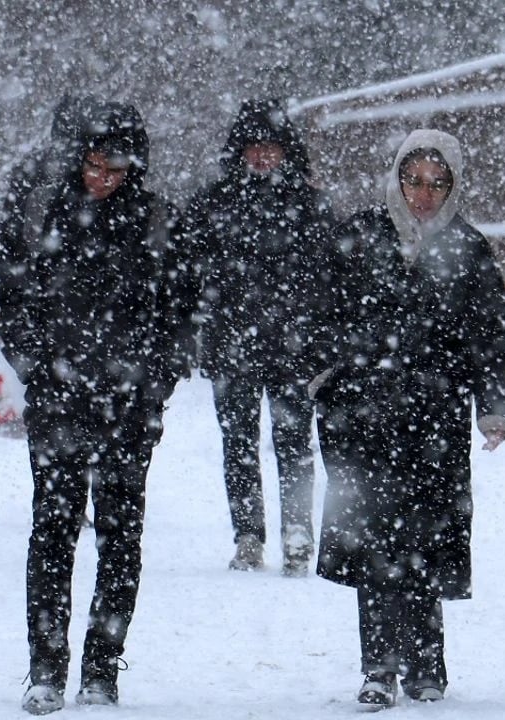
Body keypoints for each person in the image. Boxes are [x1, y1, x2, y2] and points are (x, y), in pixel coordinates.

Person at [0, 100, 197, 715]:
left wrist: (154, 384)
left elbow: (182, 316)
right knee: (51, 532)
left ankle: (102, 669)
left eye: (113, 165)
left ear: (133, 165)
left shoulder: (160, 223)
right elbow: (10, 297)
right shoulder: (39, 216)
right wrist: (36, 370)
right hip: (57, 401)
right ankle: (45, 668)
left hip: (129, 408)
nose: (100, 176)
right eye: (91, 163)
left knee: (119, 535)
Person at [307, 129, 505, 708]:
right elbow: (320, 311)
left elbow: (490, 333)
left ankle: (426, 662)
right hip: (362, 416)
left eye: (437, 182)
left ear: (453, 184)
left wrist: (493, 406)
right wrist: (326, 371)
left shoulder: (467, 248)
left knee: (426, 535)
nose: (423, 193)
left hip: (435, 416)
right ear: (396, 179)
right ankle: (379, 665)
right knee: (374, 538)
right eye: (414, 180)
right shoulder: (358, 236)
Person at [184, 98, 337, 576]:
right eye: (255, 147)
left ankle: (297, 532)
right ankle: (248, 533)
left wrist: (322, 337)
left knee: (294, 442)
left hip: (295, 348)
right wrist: (202, 330)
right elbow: (190, 275)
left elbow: (332, 277)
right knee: (239, 443)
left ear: (287, 150)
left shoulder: (312, 207)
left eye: (271, 147)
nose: (263, 157)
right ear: (240, 150)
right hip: (233, 345)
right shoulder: (212, 205)